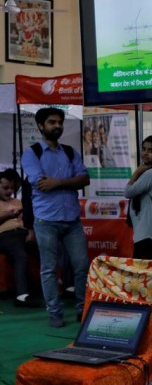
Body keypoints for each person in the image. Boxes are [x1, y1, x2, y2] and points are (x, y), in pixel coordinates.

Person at [21, 107, 90, 328]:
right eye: (52, 122)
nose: (57, 126)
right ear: (41, 126)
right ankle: (55, 311)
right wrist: (71, 181)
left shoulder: (70, 152)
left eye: (59, 122)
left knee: (81, 265)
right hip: (46, 221)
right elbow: (40, 182)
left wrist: (58, 182)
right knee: (49, 269)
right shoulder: (32, 153)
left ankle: (82, 309)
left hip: (72, 220)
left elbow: (85, 179)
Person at [0, 169, 42, 308]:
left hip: (24, 233)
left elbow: (29, 219)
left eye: (11, 188)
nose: (9, 191)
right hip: (5, 235)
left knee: (48, 249)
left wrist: (31, 231)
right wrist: (9, 216)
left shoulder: (18, 202)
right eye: (5, 188)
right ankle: (21, 296)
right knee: (20, 255)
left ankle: (57, 287)